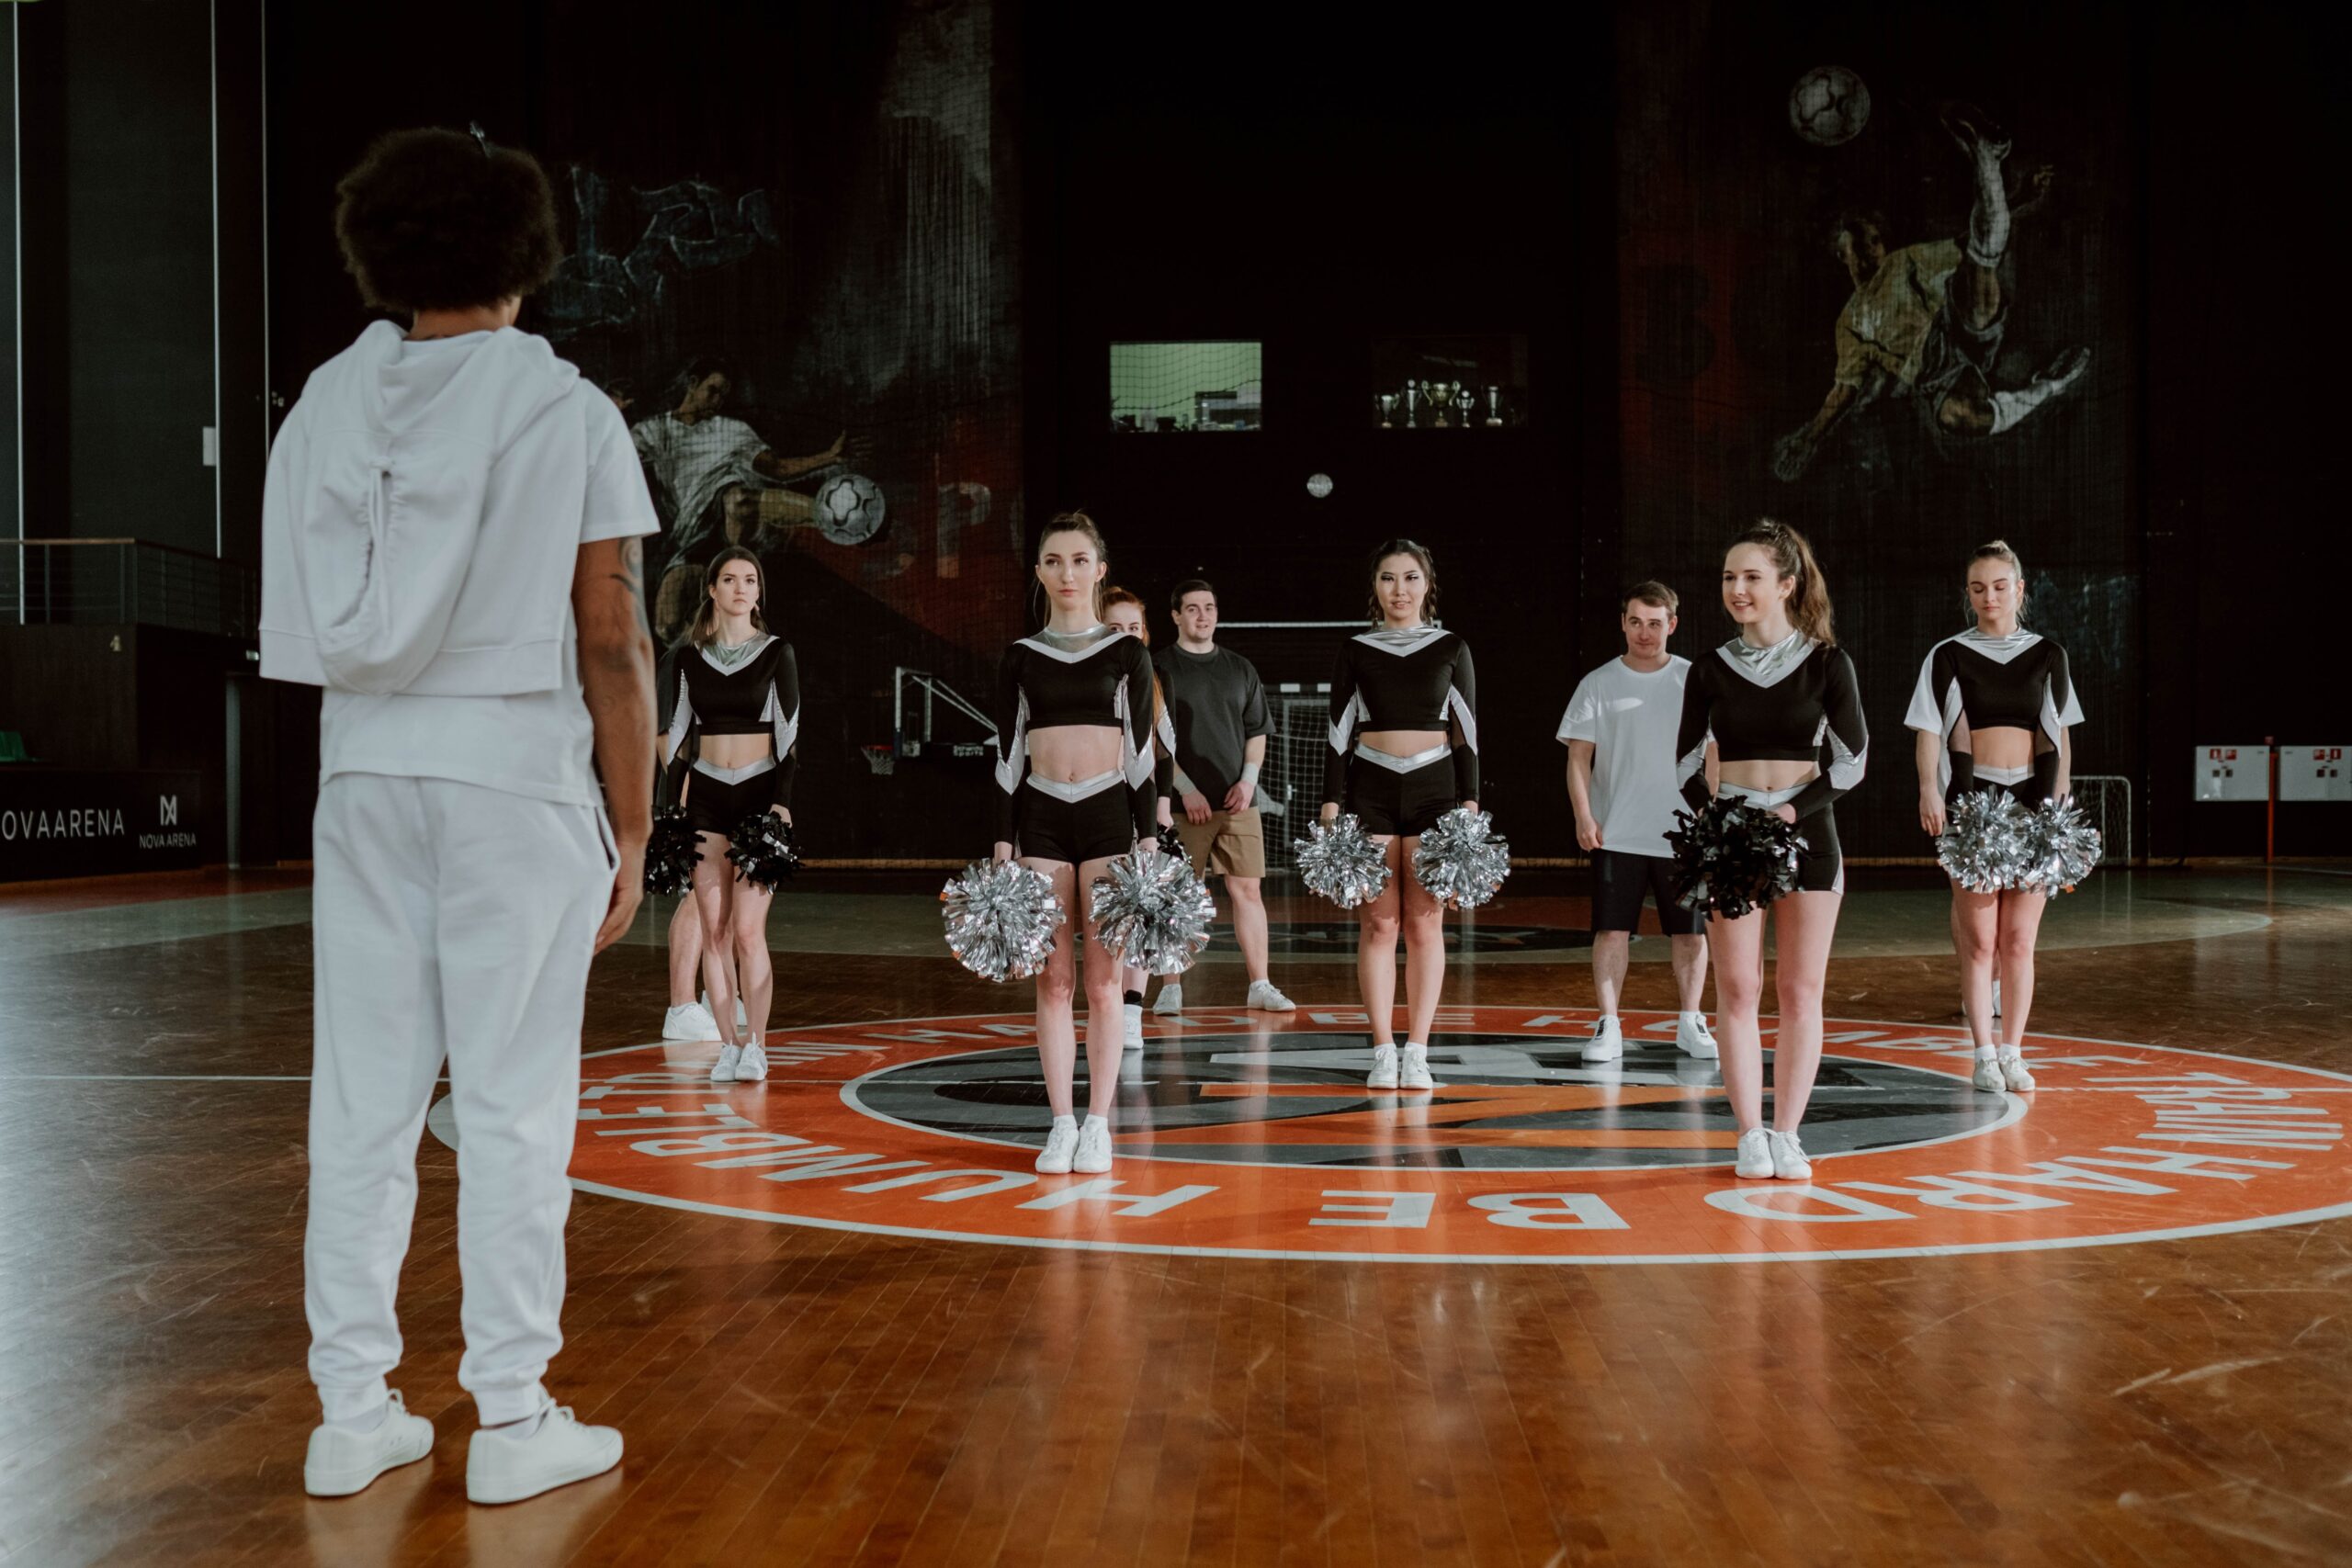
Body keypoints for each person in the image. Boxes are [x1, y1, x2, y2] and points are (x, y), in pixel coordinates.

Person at [262, 126, 649, 1504]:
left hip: (363, 772)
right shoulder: (567, 409)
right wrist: (637, 822)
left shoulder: (321, 405)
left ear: (385, 250)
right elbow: (610, 637)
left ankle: (352, 1407)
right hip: (513, 779)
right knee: (510, 1103)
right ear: (525, 258)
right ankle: (511, 1410)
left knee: (361, 1101)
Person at [1673, 520, 1866, 1181]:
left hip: (1809, 834)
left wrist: (1790, 810)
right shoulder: (1708, 667)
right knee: (1738, 987)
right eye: (1729, 577)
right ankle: (1749, 1133)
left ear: (1787, 584)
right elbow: (1683, 764)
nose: (1737, 589)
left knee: (1800, 988)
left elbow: (1852, 762)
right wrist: (1723, 817)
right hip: (1733, 838)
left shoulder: (1827, 661)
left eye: (1752, 576)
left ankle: (1789, 1132)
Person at [1772, 108, 2087, 480]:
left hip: (1956, 324)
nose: (1870, 250)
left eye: (1874, 241)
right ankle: (2050, 385)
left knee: (1981, 266)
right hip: (1937, 375)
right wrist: (1809, 440)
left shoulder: (1903, 261)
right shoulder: (1850, 322)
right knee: (1962, 417)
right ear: (1842, 255)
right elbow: (1842, 393)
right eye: (1858, 245)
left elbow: (1968, 241)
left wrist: (2018, 197)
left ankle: (1987, 158)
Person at [989, 513, 1159, 1173]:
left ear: (1099, 568)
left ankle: (1099, 1123)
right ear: (1039, 571)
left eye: (1079, 560)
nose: (1067, 573)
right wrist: (1003, 843)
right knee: (1053, 981)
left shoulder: (1127, 654)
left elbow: (1142, 756)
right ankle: (1060, 1122)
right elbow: (1006, 757)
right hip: (1042, 820)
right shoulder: (1020, 657)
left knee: (1104, 981)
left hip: (1110, 817)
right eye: (1054, 561)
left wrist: (1146, 839)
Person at [1908, 539, 2083, 1094]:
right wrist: (1929, 793)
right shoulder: (1947, 654)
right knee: (1980, 940)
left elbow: (2062, 736)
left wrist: (2059, 803)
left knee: (2019, 941)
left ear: (2020, 590)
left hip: (2033, 807)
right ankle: (1983, 1055)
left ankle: (2013, 1052)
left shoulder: (2050, 654)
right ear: (1969, 594)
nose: (1990, 596)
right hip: (1973, 806)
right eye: (1979, 588)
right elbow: (1929, 732)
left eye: (2000, 586)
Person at [1319, 540, 1479, 1092]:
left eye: (1410, 578)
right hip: (1371, 791)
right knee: (1380, 924)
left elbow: (1467, 732)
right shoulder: (1355, 649)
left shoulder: (1451, 647)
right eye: (1388, 579)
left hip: (1437, 792)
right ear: (1376, 589)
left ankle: (1419, 1049)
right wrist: (1331, 802)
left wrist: (1470, 803)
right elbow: (1338, 732)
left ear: (1427, 585)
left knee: (1424, 922)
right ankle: (1383, 1048)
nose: (1400, 590)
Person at [1559, 582, 1716, 1063]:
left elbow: (1714, 752)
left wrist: (1710, 817)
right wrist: (1584, 815)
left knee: (1691, 932)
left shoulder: (1696, 680)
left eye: (1655, 623)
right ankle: (1609, 1025)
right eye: (1635, 622)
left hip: (1684, 835)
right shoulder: (1598, 683)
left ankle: (1690, 1023)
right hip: (1617, 831)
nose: (1644, 633)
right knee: (1611, 931)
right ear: (1623, 624)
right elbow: (1579, 758)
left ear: (1672, 624)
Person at [662, 547, 801, 1083]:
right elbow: (676, 741)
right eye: (729, 579)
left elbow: (789, 739)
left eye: (750, 580)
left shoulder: (777, 653)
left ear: (758, 593)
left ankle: (757, 1045)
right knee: (714, 931)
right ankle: (727, 1044)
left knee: (747, 932)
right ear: (713, 591)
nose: (741, 588)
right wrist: (670, 813)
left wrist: (782, 804)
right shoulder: (687, 658)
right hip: (705, 804)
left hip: (759, 801)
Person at [1148, 579, 1296, 1023]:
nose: (1202, 615)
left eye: (1209, 607)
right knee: (1174, 896)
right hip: (1180, 804)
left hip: (1237, 805)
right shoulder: (1158, 668)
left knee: (1247, 890)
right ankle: (1171, 987)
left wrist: (1249, 782)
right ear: (1175, 616)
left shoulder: (1239, 668)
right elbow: (1154, 738)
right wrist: (1183, 787)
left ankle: (1259, 984)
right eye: (1192, 608)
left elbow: (1257, 732)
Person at [630, 356, 845, 641]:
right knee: (668, 626)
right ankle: (707, 666)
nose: (717, 400)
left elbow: (777, 468)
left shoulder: (731, 431)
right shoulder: (655, 431)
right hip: (691, 536)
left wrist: (828, 457)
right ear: (693, 385)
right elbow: (617, 460)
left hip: (728, 528)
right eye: (713, 390)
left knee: (737, 498)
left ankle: (831, 515)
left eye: (723, 395)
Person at [1101, 588, 1180, 1049]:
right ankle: (1105, 1002)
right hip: (1098, 803)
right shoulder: (1086, 676)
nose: (1126, 637)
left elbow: (1164, 750)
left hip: (1144, 807)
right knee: (1106, 917)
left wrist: (1162, 805)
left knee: (1143, 911)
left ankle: (1131, 1010)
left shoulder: (1157, 677)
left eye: (1134, 628)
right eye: (1115, 628)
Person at [653, 635, 720, 1043]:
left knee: (726, 895)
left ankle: (716, 993)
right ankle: (680, 1007)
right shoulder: (680, 658)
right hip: (695, 792)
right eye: (730, 580)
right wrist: (684, 797)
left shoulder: (749, 653)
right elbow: (665, 734)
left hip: (732, 786)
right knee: (698, 896)